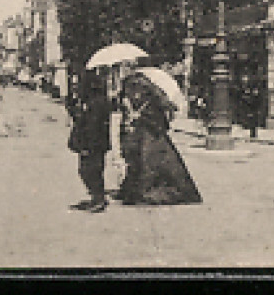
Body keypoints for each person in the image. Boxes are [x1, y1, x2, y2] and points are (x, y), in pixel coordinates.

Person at [116, 73, 202, 206]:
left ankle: (144, 191)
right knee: (139, 161)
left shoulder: (152, 101)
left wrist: (139, 117)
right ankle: (133, 190)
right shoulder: (143, 97)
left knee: (149, 163)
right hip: (144, 135)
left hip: (152, 136)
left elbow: (159, 119)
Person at [67, 74, 112, 213]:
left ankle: (99, 199)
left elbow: (92, 126)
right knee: (88, 170)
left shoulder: (95, 103)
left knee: (90, 170)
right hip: (93, 143)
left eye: (77, 85)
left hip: (93, 144)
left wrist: (87, 146)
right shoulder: (91, 101)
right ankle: (96, 197)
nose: (75, 88)